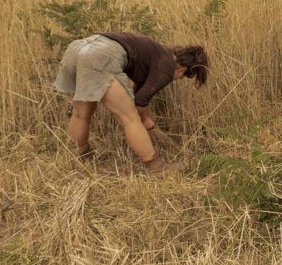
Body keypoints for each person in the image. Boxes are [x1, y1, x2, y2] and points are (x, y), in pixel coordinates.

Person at [53, 32, 209, 176]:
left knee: (81, 114)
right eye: (183, 77)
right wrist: (144, 119)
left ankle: (82, 155)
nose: (178, 80)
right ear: (182, 69)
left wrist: (146, 116)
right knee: (129, 117)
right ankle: (156, 167)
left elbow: (141, 94)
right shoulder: (167, 66)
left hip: (80, 47)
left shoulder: (159, 53)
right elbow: (139, 103)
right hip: (99, 56)